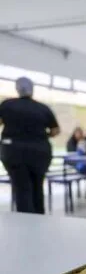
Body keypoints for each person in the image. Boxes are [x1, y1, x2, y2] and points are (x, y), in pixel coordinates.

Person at [0, 77, 60, 214]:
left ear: (17, 89)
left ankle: (26, 226)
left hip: (14, 151)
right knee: (37, 187)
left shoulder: (7, 105)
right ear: (32, 90)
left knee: (22, 188)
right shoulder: (43, 108)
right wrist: (42, 136)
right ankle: (39, 221)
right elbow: (55, 130)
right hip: (40, 151)